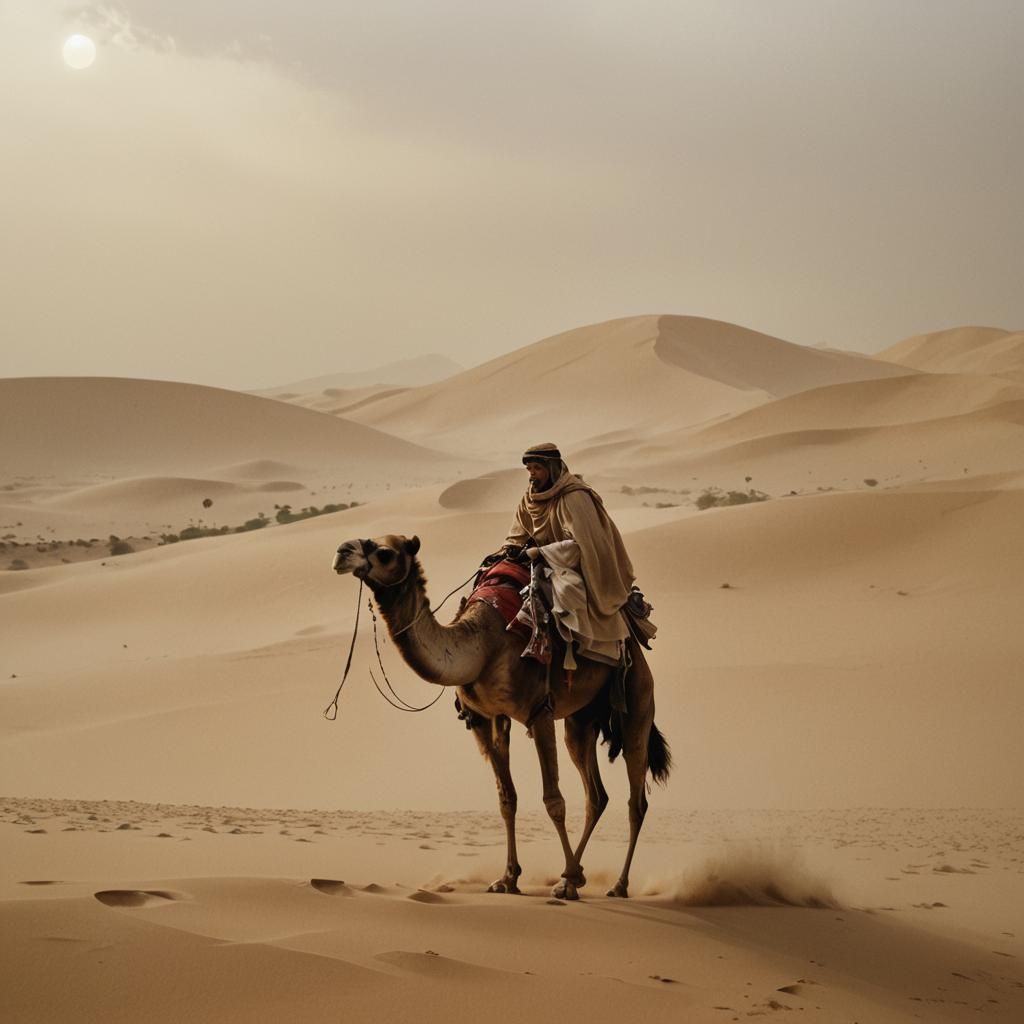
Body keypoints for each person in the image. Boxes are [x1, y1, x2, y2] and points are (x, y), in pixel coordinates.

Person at [501, 442, 637, 669]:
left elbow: (581, 546)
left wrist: (541, 552)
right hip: (538, 561)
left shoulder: (574, 497)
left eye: (537, 468)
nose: (532, 475)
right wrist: (511, 548)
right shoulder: (529, 500)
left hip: (577, 566)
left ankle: (577, 654)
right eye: (529, 469)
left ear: (552, 468)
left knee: (568, 589)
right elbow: (517, 534)